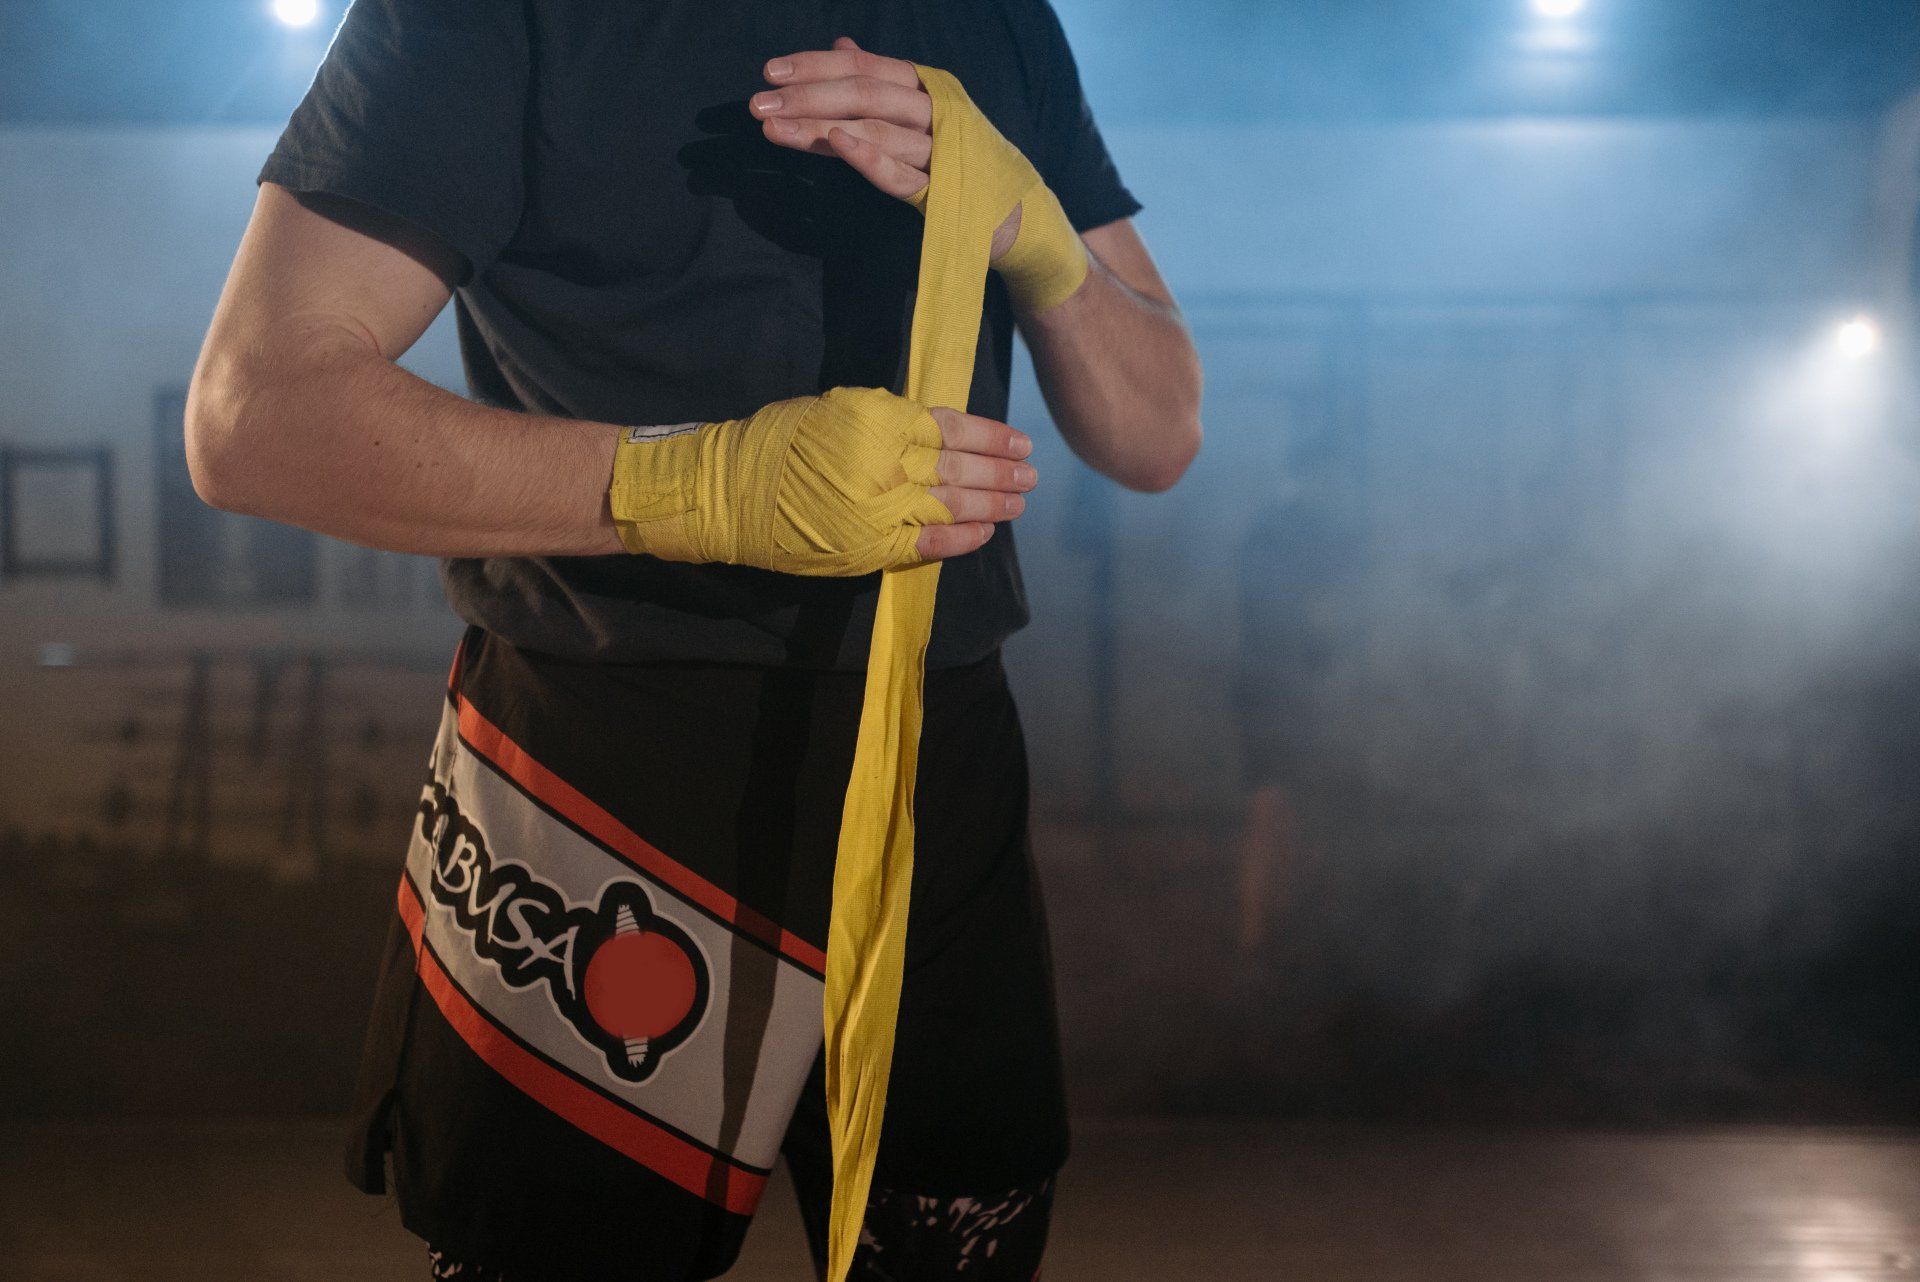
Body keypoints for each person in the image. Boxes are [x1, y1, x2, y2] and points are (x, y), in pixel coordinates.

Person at [186, 1, 1201, 1277]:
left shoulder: (996, 15)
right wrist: (696, 484)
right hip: (603, 754)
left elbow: (1158, 432)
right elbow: (253, 413)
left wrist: (1041, 244)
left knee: (967, 1237)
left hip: (933, 750)